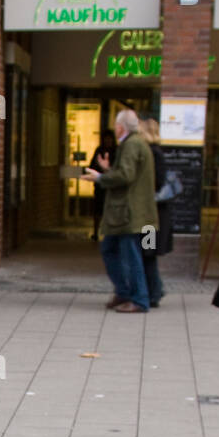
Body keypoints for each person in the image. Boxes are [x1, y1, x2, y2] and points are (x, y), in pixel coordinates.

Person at [83, 108, 158, 313]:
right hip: (129, 212)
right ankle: (125, 292)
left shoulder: (131, 144)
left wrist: (100, 177)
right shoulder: (135, 143)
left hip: (129, 213)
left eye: (116, 125)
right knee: (111, 249)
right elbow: (128, 173)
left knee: (131, 255)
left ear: (120, 127)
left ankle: (139, 298)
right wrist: (108, 170)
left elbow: (126, 175)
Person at [138, 116, 173, 308]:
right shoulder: (155, 152)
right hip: (152, 214)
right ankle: (155, 288)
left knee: (147, 252)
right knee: (147, 253)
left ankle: (154, 291)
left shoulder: (153, 153)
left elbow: (157, 181)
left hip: (152, 216)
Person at [88, 129, 116, 242]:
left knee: (110, 210)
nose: (108, 141)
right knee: (98, 209)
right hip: (101, 185)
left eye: (109, 139)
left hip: (111, 186)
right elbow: (92, 165)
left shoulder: (116, 151)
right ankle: (96, 232)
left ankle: (109, 233)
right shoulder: (99, 150)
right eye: (106, 139)